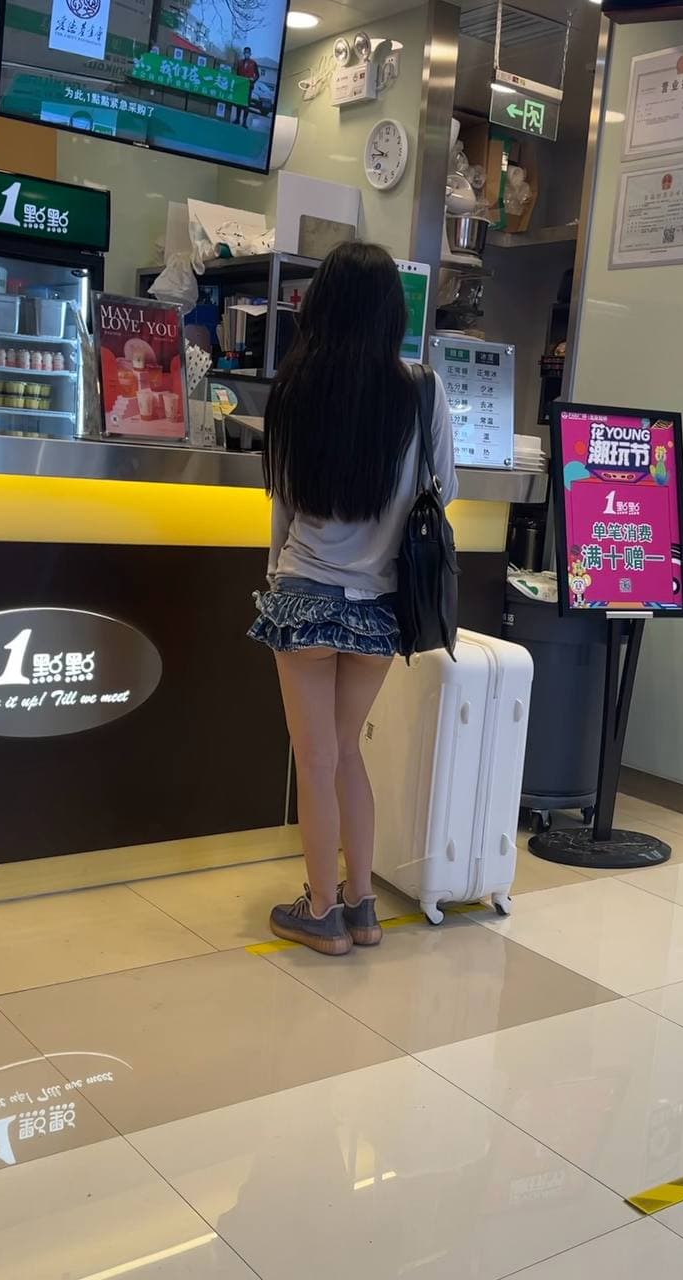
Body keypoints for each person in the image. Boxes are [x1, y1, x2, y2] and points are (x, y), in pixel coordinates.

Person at [249, 242, 457, 955]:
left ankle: (319, 911)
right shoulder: (423, 389)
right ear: (392, 313)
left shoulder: (293, 391)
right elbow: (444, 490)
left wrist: (276, 579)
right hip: (379, 606)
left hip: (303, 596)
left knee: (314, 762)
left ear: (320, 308)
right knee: (346, 753)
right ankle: (363, 907)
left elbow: (280, 506)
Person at [233, 47, 260, 127]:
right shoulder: (240, 62)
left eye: (248, 52)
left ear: (250, 54)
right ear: (243, 53)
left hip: (248, 87)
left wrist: (253, 80)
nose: (246, 54)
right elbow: (237, 74)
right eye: (245, 52)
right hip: (241, 86)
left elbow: (257, 75)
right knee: (239, 103)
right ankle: (237, 119)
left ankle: (244, 122)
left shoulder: (253, 63)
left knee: (246, 104)